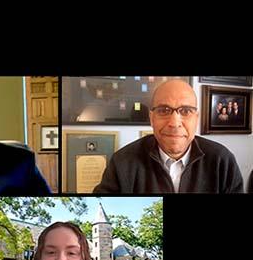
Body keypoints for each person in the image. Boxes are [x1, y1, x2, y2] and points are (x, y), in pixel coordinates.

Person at [93, 79, 243, 193]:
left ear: (196, 119)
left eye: (185, 111)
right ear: (152, 118)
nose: (174, 123)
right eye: (164, 110)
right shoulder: (122, 163)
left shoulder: (222, 161)